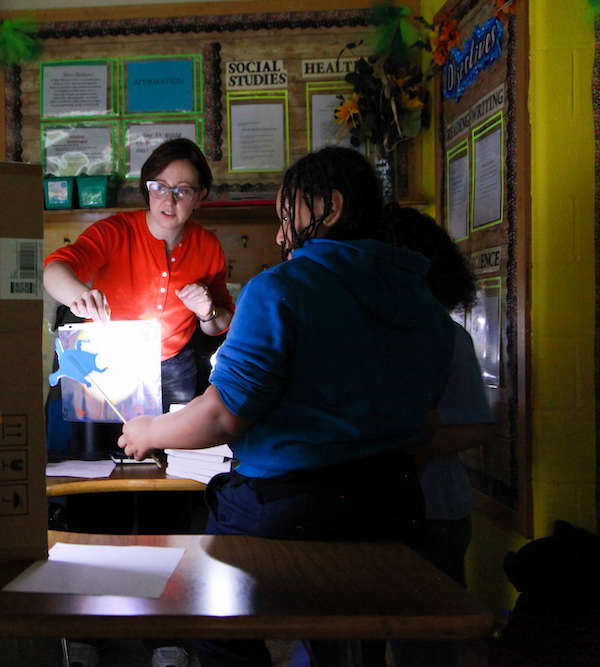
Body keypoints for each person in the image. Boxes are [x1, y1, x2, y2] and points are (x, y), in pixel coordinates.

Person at [118, 147, 457, 667]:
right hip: (395, 506)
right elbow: (427, 422)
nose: (280, 236)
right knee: (347, 637)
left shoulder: (280, 290)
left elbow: (223, 414)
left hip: (284, 511)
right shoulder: (426, 303)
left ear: (331, 206)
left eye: (286, 217)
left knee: (210, 621)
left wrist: (148, 431)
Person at [44, 137, 234, 667]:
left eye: (182, 190)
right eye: (159, 187)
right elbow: (55, 267)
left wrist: (206, 313)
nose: (168, 200)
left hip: (172, 367)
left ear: (198, 198)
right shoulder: (113, 231)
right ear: (146, 188)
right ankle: (90, 628)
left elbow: (223, 325)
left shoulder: (209, 247)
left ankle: (165, 632)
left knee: (165, 497)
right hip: (104, 362)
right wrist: (76, 295)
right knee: (96, 492)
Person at [385, 204, 495, 667]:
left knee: (426, 645)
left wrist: (416, 448)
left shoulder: (450, 337)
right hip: (383, 513)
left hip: (435, 515)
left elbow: (475, 425)